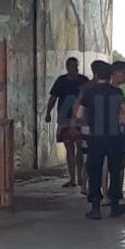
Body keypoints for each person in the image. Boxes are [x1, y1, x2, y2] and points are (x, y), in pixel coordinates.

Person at [76, 60, 125, 220]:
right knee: (115, 171)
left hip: (96, 138)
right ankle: (115, 206)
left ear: (96, 75)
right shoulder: (117, 92)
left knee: (95, 172)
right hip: (114, 137)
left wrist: (89, 123)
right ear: (109, 76)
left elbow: (79, 115)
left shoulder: (88, 92)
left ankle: (95, 208)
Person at [45, 57, 89, 188]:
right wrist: (48, 112)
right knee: (69, 149)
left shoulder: (83, 80)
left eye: (75, 66)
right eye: (71, 66)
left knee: (80, 148)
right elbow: (53, 97)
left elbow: (89, 98)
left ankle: (80, 176)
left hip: (80, 118)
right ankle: (72, 178)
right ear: (67, 67)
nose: (74, 68)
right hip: (64, 117)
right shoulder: (61, 81)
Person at [102, 60, 125, 206]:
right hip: (117, 134)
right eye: (124, 73)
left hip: (102, 133)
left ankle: (105, 195)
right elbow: (124, 115)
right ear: (115, 73)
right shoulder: (117, 92)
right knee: (118, 165)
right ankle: (117, 195)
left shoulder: (100, 90)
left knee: (106, 164)